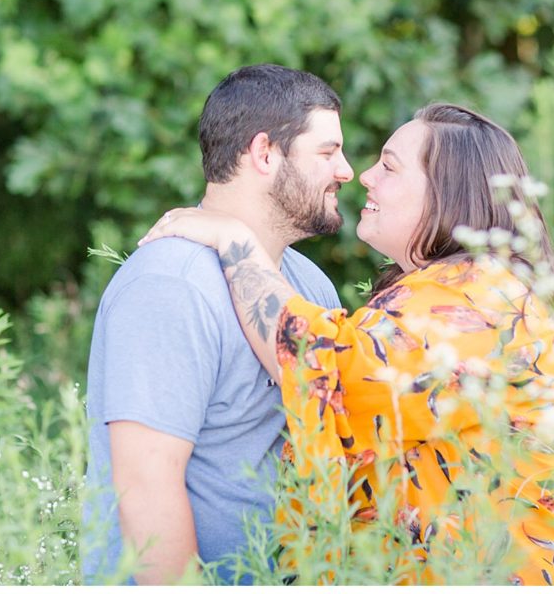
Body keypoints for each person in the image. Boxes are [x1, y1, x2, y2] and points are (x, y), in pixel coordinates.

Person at [138, 103, 554, 585]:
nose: (364, 176)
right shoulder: (449, 289)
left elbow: (330, 368)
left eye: (389, 165)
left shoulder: (480, 301)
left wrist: (233, 240)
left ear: (447, 193)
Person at [82, 64, 353, 585]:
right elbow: (145, 487)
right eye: (327, 152)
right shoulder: (171, 284)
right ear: (265, 153)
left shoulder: (309, 284)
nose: (345, 170)